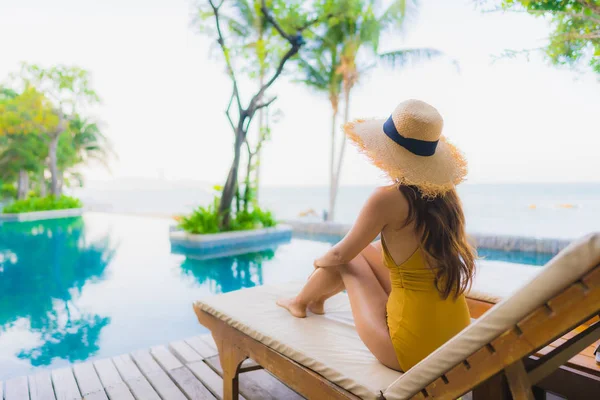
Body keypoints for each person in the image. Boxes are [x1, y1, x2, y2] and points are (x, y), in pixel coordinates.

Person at [277, 99, 476, 372]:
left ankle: (299, 302)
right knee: (364, 250)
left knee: (346, 259)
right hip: (455, 339)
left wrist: (319, 262)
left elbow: (340, 254)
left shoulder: (387, 199)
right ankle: (318, 298)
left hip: (413, 351)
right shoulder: (447, 198)